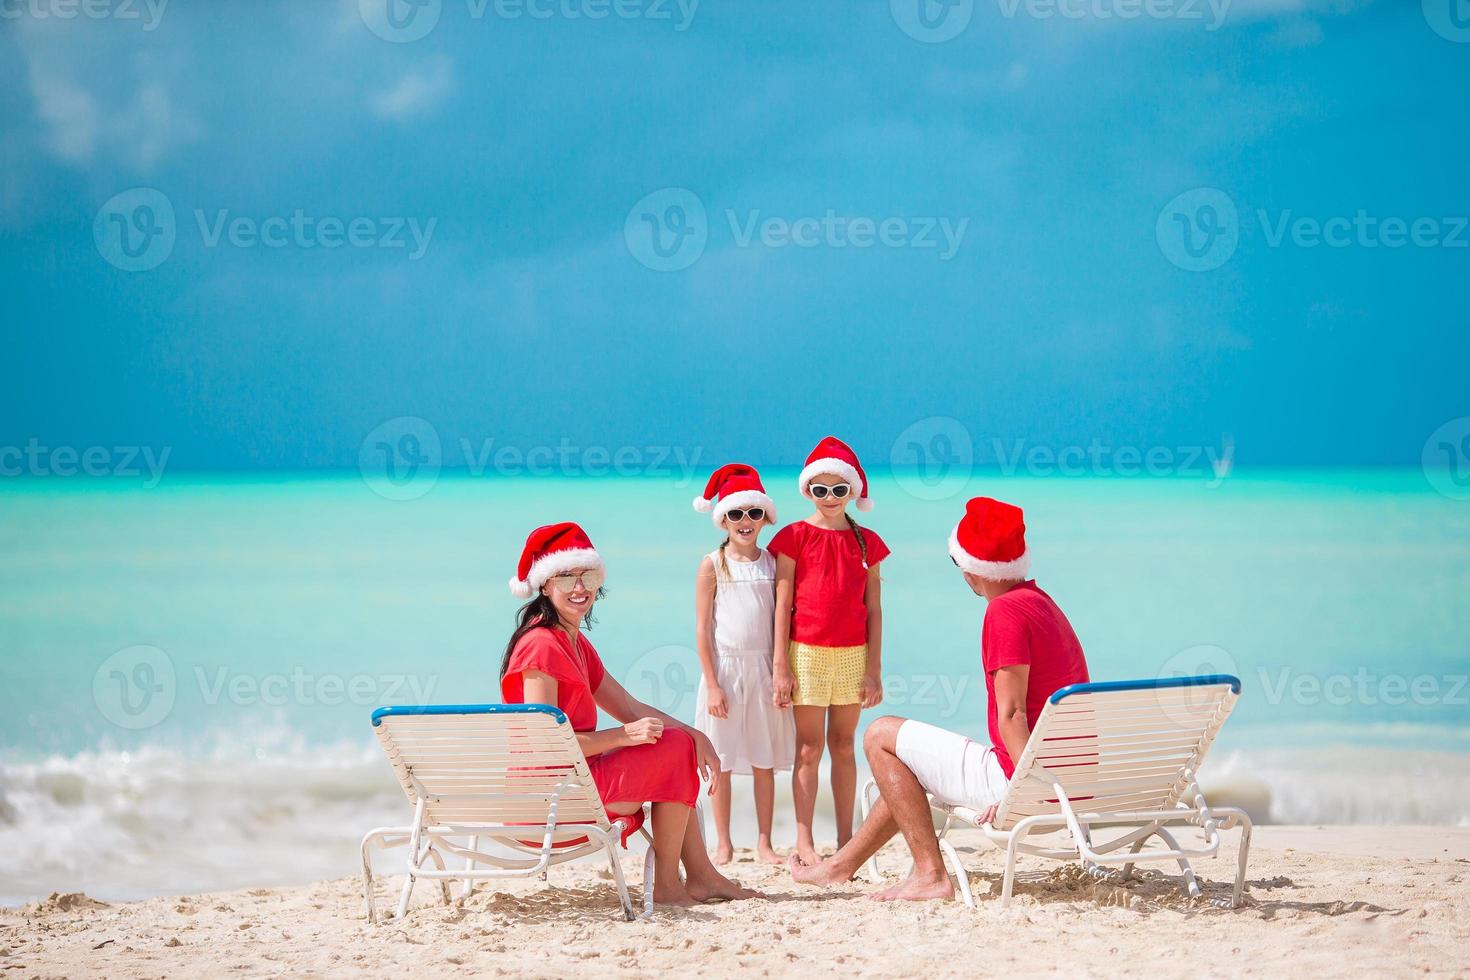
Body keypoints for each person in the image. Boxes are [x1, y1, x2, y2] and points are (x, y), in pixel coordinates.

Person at [789, 496, 1090, 901]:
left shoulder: (1004, 614)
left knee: (879, 734)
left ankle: (930, 874)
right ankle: (839, 867)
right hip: (1075, 781)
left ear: (970, 568)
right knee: (910, 759)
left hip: (1028, 784)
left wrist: (1022, 793)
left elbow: (1013, 714)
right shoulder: (1042, 604)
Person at [499, 521, 759, 907]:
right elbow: (546, 747)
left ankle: (700, 877)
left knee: (677, 744)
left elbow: (630, 707)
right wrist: (622, 737)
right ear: (544, 584)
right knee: (673, 751)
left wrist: (696, 734)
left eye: (587, 575)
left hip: (572, 785)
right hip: (549, 802)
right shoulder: (540, 645)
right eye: (566, 576)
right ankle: (674, 885)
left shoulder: (572, 641)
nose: (579, 587)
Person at [768, 436, 890, 866]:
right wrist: (780, 664)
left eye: (839, 490)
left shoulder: (867, 543)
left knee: (843, 743)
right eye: (820, 490)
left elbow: (873, 609)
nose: (830, 498)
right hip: (805, 653)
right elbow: (782, 605)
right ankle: (803, 839)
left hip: (853, 654)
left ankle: (846, 837)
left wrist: (874, 668)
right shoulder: (794, 537)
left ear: (851, 492)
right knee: (807, 748)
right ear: (808, 492)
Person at [691, 463, 795, 865]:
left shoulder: (774, 563)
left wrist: (781, 672)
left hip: (765, 671)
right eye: (736, 514)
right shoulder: (712, 564)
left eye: (753, 513)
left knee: (763, 757)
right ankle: (724, 842)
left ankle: (765, 842)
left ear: (766, 517)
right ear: (723, 520)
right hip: (725, 672)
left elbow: (782, 620)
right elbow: (702, 628)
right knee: (722, 760)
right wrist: (712, 683)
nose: (745, 521)